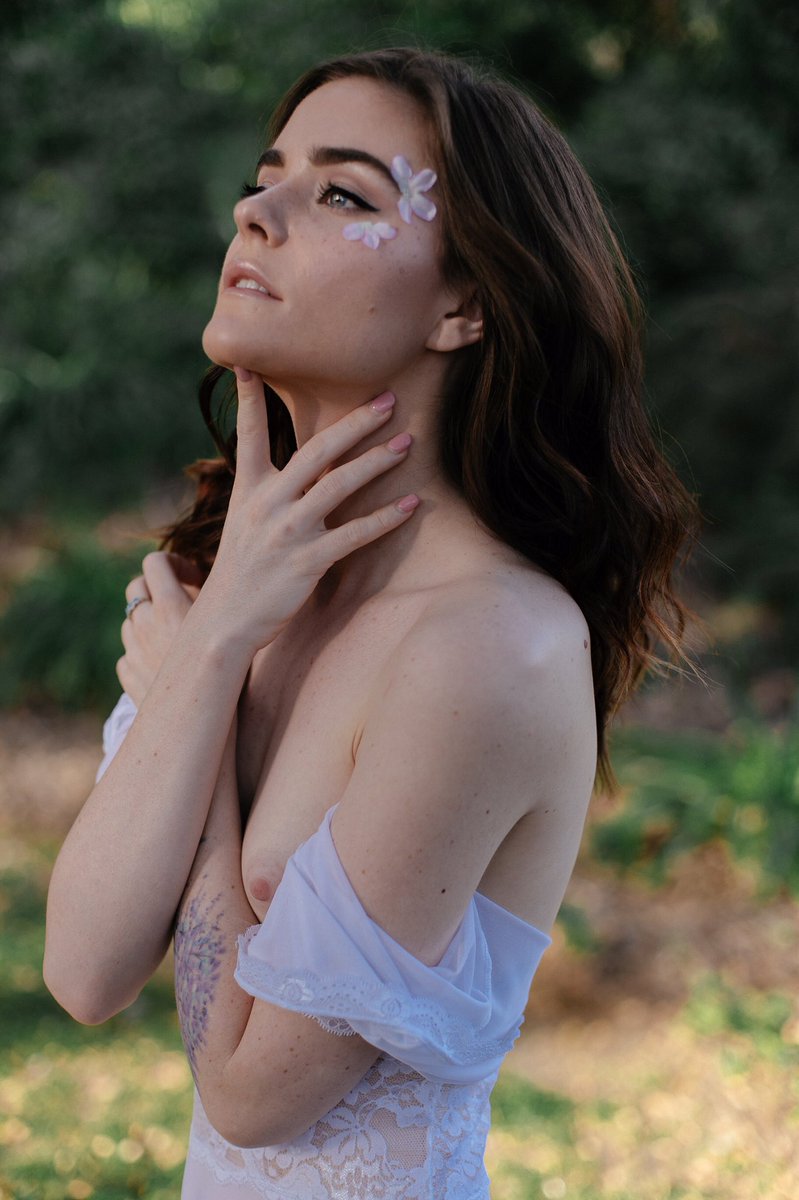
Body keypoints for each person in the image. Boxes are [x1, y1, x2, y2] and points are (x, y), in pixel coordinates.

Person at [43, 46, 700, 1199]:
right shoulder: (235, 592)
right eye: (266, 178)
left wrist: (198, 696)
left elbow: (251, 1096)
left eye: (342, 193)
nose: (256, 211)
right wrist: (221, 636)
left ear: (464, 304)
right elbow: (85, 974)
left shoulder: (491, 647)